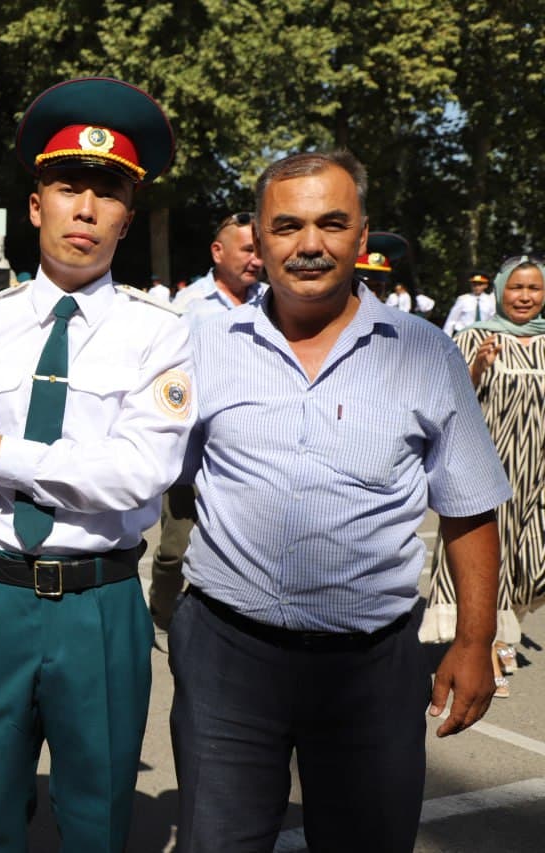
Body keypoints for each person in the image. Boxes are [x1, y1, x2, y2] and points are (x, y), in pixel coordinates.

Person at [171, 150, 509, 853]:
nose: (310, 244)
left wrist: (474, 641)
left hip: (372, 667)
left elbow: (470, 505)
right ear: (259, 239)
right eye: (287, 225)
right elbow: (148, 468)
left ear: (361, 233)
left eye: (331, 223)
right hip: (227, 658)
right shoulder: (198, 345)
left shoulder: (425, 353)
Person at [0, 77, 192, 851]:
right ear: (35, 205)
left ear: (126, 218)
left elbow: (139, 470)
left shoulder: (160, 332)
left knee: (97, 819)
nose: (86, 208)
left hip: (100, 604)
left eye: (107, 193)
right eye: (68, 187)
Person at [421, 255, 545, 698]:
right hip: (488, 472)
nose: (525, 296)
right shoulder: (473, 337)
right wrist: (476, 368)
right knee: (490, 565)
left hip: (538, 475)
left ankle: (507, 626)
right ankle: (489, 650)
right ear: (499, 290)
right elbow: (444, 400)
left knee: (532, 567)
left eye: (534, 288)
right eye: (516, 287)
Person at [149, 211, 264, 645]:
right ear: (218, 252)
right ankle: (162, 614)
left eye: (260, 250)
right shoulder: (188, 307)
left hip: (251, 450)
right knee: (175, 548)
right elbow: (165, 380)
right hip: (193, 449)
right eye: (248, 250)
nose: (256, 260)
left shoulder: (273, 302)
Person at [444, 271, 497, 335]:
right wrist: (446, 336)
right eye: (474, 284)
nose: (477, 287)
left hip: (482, 334)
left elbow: (492, 319)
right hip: (464, 333)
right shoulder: (463, 299)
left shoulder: (491, 301)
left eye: (480, 284)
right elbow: (451, 320)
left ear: (486, 285)